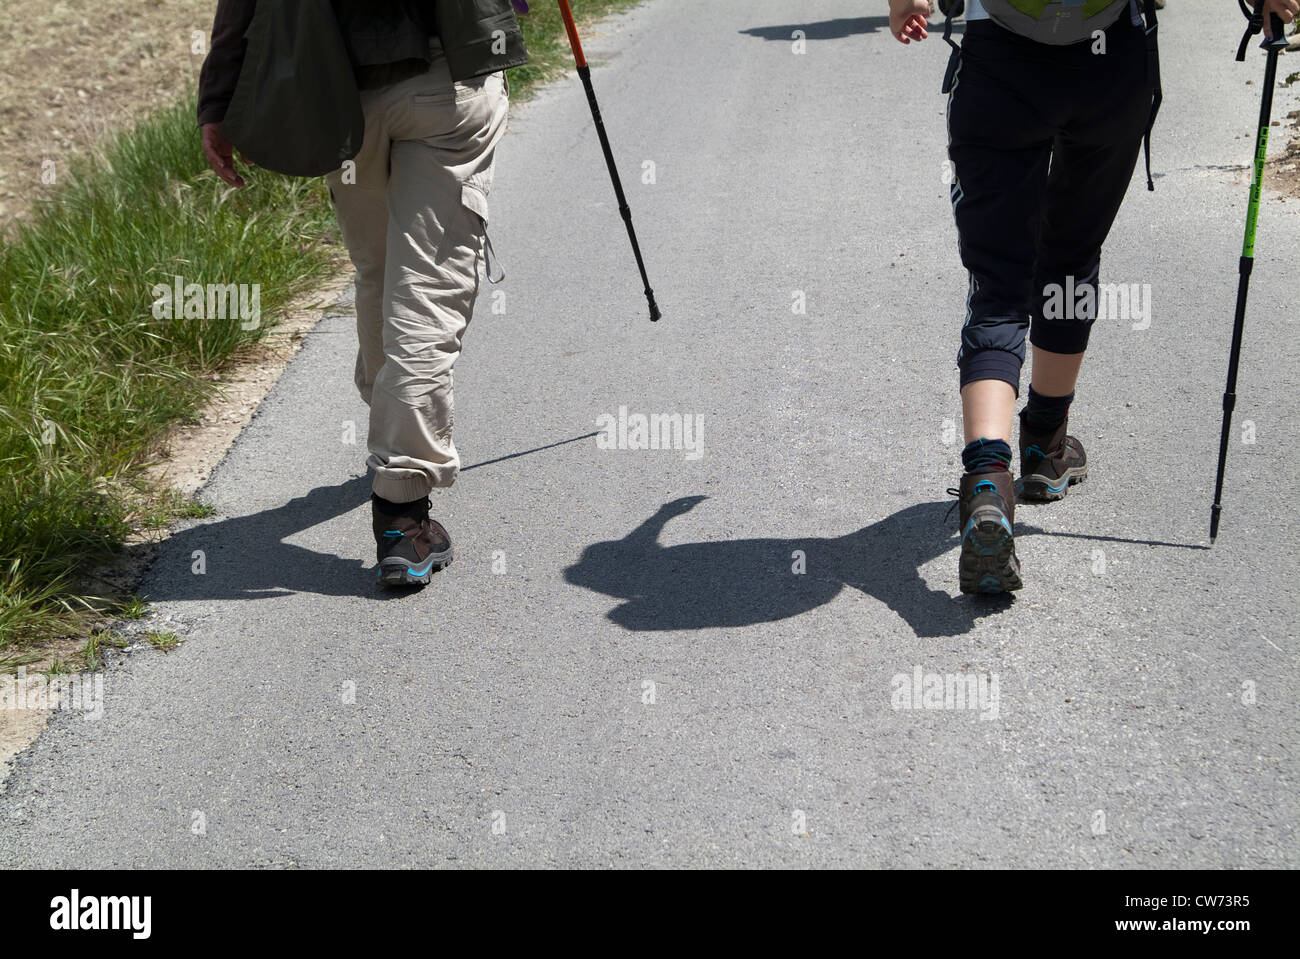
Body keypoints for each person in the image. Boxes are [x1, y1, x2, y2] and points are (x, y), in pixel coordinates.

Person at [889, 0, 1297, 594]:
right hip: (1112, 67)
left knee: (998, 288)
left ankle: (987, 484)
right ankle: (1048, 444)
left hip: (1001, 61)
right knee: (1070, 260)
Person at [198, 1, 529, 587]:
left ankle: (389, 416)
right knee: (423, 288)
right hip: (444, 80)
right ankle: (401, 508)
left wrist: (220, 101)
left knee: (379, 272)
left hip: (340, 95)